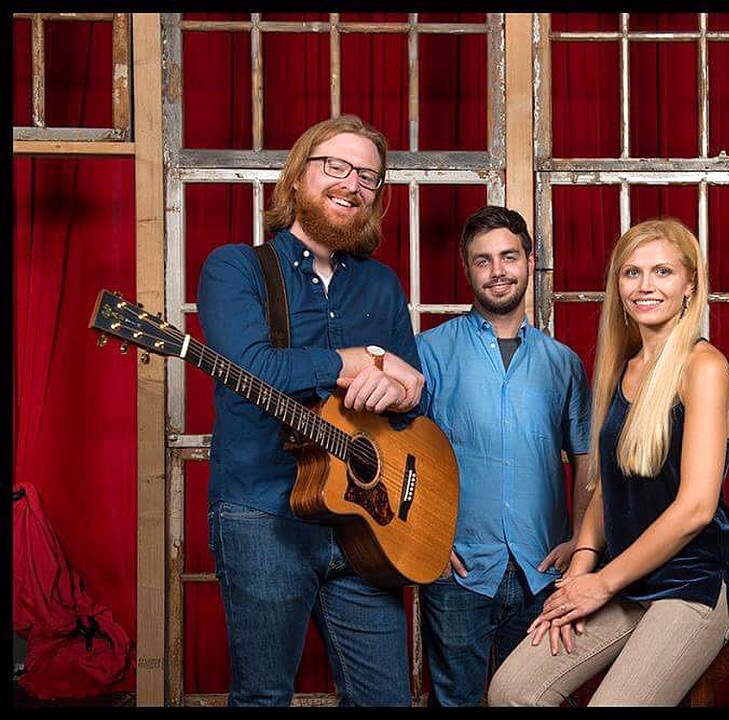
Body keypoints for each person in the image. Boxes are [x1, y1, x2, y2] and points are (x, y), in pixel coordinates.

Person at [196, 115, 425, 706]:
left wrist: (406, 393)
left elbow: (413, 402)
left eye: (368, 176)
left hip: (365, 523)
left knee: (387, 700)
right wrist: (351, 361)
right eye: (337, 167)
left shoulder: (381, 285)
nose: (353, 184)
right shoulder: (235, 267)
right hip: (263, 514)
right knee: (264, 697)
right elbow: (252, 368)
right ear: (297, 176)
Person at [487, 218, 729, 707]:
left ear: (691, 284)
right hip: (627, 575)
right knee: (512, 690)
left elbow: (696, 508)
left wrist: (601, 584)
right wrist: (582, 568)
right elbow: (609, 485)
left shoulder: (704, 366)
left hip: (693, 580)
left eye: (663, 272)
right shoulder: (623, 365)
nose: (646, 285)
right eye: (632, 273)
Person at [414, 205, 592, 706]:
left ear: (530, 262)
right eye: (483, 260)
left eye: (509, 257)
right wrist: (426, 539)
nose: (497, 271)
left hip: (544, 570)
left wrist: (579, 539)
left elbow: (585, 458)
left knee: (536, 698)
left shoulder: (564, 363)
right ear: (467, 269)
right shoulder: (428, 351)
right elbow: (404, 453)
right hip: (459, 571)